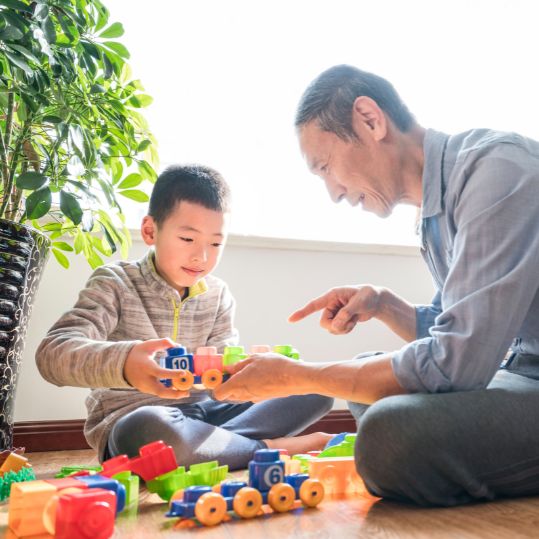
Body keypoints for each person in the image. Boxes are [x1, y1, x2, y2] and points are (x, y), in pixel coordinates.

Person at [214, 65, 539, 505]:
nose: (335, 193)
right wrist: (384, 305)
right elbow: (455, 335)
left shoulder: (496, 169)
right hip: (521, 369)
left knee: (389, 435)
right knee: (373, 378)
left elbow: (456, 364)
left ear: (371, 120)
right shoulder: (434, 218)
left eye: (326, 167)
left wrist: (297, 375)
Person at [36, 164, 333, 470]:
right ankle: (264, 448)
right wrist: (125, 363)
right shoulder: (115, 282)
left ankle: (211, 449)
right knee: (150, 429)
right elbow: (52, 353)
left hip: (208, 415)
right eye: (188, 240)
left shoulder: (218, 294)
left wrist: (252, 373)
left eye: (216, 244)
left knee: (315, 387)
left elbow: (223, 386)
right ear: (150, 231)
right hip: (137, 423)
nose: (201, 257)